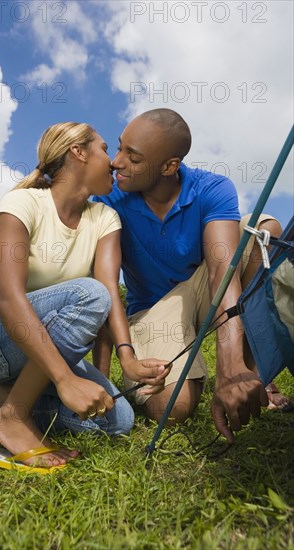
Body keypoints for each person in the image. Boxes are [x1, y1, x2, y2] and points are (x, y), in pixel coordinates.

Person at [0, 122, 169, 471]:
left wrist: (127, 361)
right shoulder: (21, 203)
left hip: (36, 344)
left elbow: (112, 290)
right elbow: (8, 299)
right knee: (89, 293)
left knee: (117, 419)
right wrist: (66, 380)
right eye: (103, 148)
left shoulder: (105, 218)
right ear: (78, 153)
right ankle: (12, 418)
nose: (113, 161)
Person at [93, 108, 291, 443]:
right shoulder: (109, 198)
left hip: (205, 296)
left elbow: (221, 270)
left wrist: (228, 367)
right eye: (119, 147)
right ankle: (200, 374)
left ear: (169, 166)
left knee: (263, 230)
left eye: (133, 157)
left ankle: (251, 372)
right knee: (174, 408)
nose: (116, 162)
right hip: (152, 311)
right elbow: (104, 284)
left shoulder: (211, 188)